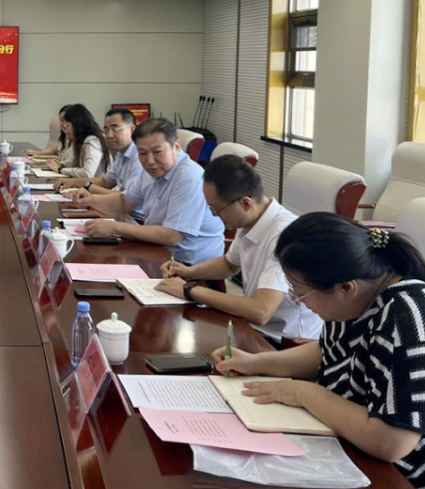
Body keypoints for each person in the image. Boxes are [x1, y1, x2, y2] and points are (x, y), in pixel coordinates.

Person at [214, 214, 425, 485]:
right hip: (346, 438)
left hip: (395, 473)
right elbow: (327, 352)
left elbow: (392, 442)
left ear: (346, 288)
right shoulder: (357, 298)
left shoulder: (407, 321)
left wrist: (303, 393)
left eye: (299, 292)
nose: (298, 302)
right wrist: (256, 363)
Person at [155, 155, 323, 342]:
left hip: (283, 341)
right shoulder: (250, 218)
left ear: (245, 203)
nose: (215, 215)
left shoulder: (283, 236)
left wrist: (189, 290)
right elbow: (228, 265)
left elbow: (261, 311)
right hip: (252, 328)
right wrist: (188, 272)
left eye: (217, 209)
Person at [75, 117, 224, 264]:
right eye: (142, 153)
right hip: (157, 252)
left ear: (176, 146)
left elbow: (171, 235)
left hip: (189, 266)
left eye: (157, 152)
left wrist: (114, 227)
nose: (150, 161)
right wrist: (90, 200)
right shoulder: (151, 171)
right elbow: (124, 201)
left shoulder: (189, 178)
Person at [53, 107, 143, 197]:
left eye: (115, 129)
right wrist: (72, 182)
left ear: (132, 130)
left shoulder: (139, 156)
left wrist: (88, 187)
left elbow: (128, 198)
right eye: (106, 130)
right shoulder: (121, 154)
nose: (109, 135)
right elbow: (106, 182)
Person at [45, 104, 110, 178]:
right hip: (84, 183)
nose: (64, 126)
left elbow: (87, 173)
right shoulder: (80, 139)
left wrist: (60, 169)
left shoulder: (92, 141)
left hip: (95, 184)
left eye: (67, 123)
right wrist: (61, 164)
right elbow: (75, 161)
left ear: (78, 124)